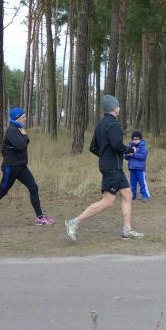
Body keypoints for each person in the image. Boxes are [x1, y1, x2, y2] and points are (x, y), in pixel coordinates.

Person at [65, 95, 144, 241]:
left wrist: (105, 156)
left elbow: (93, 148)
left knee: (127, 194)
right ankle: (74, 222)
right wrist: (130, 150)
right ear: (114, 108)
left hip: (112, 167)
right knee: (108, 201)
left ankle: (127, 230)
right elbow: (116, 144)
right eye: (118, 105)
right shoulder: (114, 125)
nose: (119, 108)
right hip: (112, 167)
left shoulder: (100, 125)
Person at [0, 107, 56, 230]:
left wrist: (23, 138)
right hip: (10, 168)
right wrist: (25, 136)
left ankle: (40, 218)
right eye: (23, 117)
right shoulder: (12, 130)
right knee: (2, 192)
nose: (25, 119)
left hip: (21, 167)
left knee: (33, 187)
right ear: (17, 118)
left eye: (25, 116)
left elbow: (17, 146)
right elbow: (21, 145)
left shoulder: (18, 129)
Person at [126, 131, 150, 202]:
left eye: (136, 139)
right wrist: (127, 155)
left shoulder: (143, 147)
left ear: (140, 139)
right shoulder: (129, 146)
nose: (135, 141)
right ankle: (133, 196)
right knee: (132, 183)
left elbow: (143, 157)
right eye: (133, 139)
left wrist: (133, 154)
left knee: (142, 183)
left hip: (140, 169)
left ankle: (145, 196)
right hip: (132, 168)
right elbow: (125, 155)